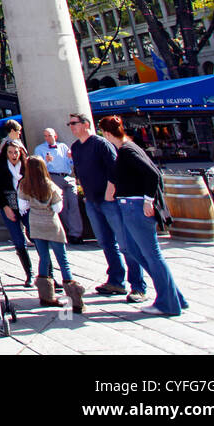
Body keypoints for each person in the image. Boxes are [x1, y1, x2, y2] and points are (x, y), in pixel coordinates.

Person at [101, 115, 189, 316]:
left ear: (106, 133)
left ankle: (168, 304)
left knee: (151, 254)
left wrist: (149, 200)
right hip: (129, 205)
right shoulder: (126, 149)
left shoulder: (128, 150)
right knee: (135, 250)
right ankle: (175, 296)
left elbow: (153, 174)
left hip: (136, 206)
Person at [69, 112, 147, 301]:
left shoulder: (101, 144)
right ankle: (116, 281)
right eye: (69, 124)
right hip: (92, 200)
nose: (71, 126)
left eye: (74, 123)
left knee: (125, 244)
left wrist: (110, 192)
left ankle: (138, 286)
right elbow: (78, 171)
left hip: (109, 200)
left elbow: (115, 169)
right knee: (105, 242)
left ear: (86, 124)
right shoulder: (76, 147)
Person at [18, 156, 85, 313]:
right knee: (63, 260)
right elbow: (58, 208)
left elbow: (22, 206)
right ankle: (74, 298)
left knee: (44, 258)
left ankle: (45, 296)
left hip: (35, 223)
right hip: (51, 223)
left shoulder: (24, 185)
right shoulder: (50, 185)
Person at [0, 139, 34, 286]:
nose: (13, 155)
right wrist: (5, 207)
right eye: (10, 152)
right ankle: (30, 274)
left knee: (37, 238)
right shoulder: (1, 167)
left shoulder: (28, 167)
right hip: (9, 205)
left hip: (28, 205)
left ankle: (48, 275)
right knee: (18, 240)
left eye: (16, 152)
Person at [34, 127, 83, 243]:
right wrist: (46, 161)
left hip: (67, 176)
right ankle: (69, 233)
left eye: (49, 135)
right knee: (63, 206)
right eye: (45, 136)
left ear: (55, 136)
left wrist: (72, 158)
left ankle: (77, 233)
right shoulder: (40, 149)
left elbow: (70, 162)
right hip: (54, 177)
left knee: (74, 204)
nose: (47, 138)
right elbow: (37, 166)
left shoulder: (63, 146)